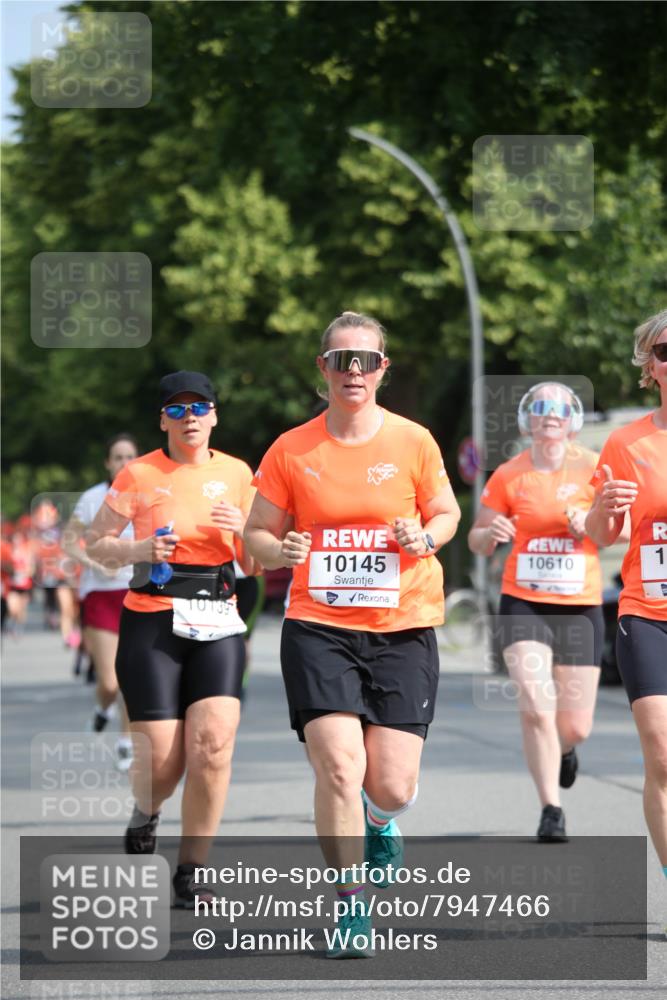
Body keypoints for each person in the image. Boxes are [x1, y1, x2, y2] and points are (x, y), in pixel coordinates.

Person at [244, 311, 461, 957]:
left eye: (366, 360)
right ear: (323, 368)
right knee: (340, 767)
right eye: (342, 360)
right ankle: (350, 906)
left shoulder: (413, 440)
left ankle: (380, 819)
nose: (354, 371)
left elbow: (446, 512)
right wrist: (279, 549)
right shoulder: (291, 448)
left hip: (403, 625)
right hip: (319, 626)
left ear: (382, 369)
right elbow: (256, 534)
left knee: (390, 783)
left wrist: (426, 537)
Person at [86, 371, 257, 907]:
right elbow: (95, 544)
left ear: (214, 415)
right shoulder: (138, 473)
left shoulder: (237, 473)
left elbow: (255, 563)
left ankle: (192, 870)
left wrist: (243, 531)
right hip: (152, 619)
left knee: (213, 746)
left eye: (199, 407)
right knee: (161, 763)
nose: (190, 418)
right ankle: (148, 810)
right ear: (163, 420)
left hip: (218, 617)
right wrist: (137, 552)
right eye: (177, 410)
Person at [468, 381, 615, 842]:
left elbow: (620, 530)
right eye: (541, 407)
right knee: (536, 706)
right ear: (527, 420)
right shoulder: (509, 474)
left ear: (572, 421)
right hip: (524, 603)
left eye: (560, 409)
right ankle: (551, 808)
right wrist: (491, 533)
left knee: (576, 726)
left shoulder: (594, 468)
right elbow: (476, 538)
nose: (550, 414)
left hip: (579, 606)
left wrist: (589, 522)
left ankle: (565, 749)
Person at [585, 309, 667, 888]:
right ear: (650, 366)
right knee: (662, 754)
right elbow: (601, 535)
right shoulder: (626, 442)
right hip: (648, 613)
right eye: (665, 351)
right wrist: (603, 508)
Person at [62, 433, 139, 769]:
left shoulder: (147, 495)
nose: (124, 463)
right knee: (109, 682)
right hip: (100, 596)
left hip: (137, 593)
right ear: (108, 463)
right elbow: (69, 542)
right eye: (117, 457)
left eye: (130, 456)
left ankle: (125, 743)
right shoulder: (93, 498)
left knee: (132, 676)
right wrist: (95, 564)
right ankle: (102, 707)